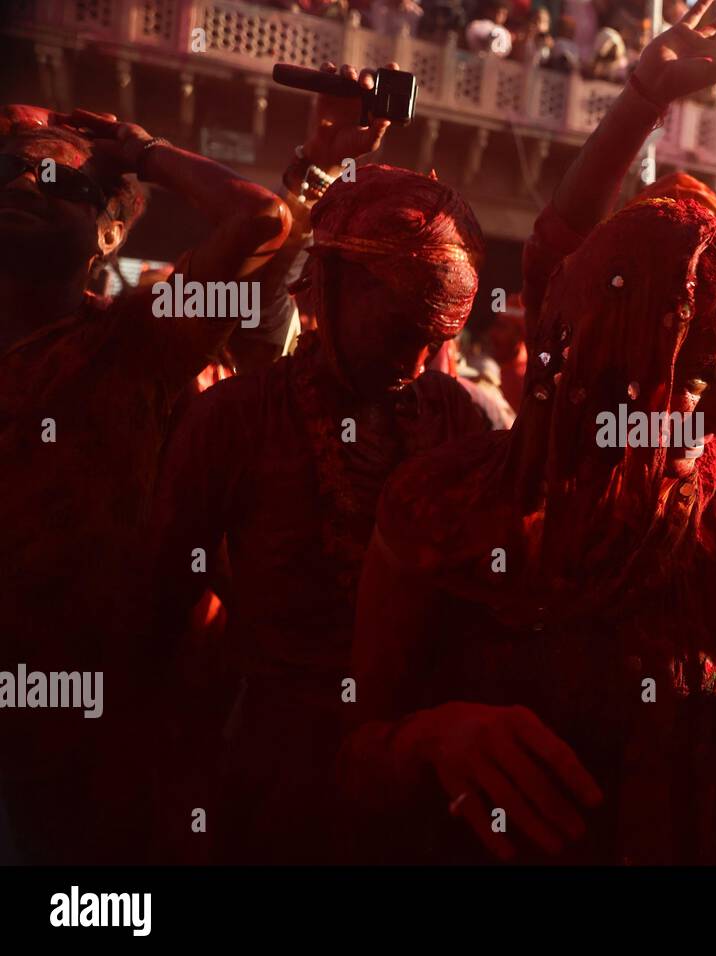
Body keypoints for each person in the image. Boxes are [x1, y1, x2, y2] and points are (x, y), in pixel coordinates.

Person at [340, 0, 716, 865]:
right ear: (602, 359)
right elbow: (356, 755)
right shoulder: (442, 504)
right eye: (693, 380)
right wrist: (434, 738)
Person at [148, 75, 487, 862]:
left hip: (415, 777)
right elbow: (160, 617)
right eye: (397, 329)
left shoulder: (453, 415)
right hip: (266, 773)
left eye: (430, 339)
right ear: (324, 287)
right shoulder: (235, 418)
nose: (413, 360)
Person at [0, 105, 291, 863]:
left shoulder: (136, 343)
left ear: (107, 233)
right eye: (9, 169)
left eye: (56, 176)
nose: (25, 183)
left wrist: (144, 152)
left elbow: (260, 219)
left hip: (89, 737)